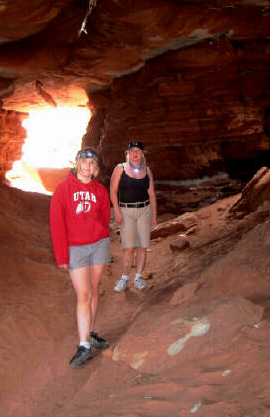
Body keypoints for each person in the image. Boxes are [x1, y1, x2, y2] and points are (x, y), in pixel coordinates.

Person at [49, 147, 111, 368]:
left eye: (92, 164)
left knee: (94, 289)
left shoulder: (100, 190)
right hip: (76, 249)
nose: (88, 166)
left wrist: (99, 234)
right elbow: (57, 224)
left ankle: (90, 332)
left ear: (96, 169)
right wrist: (62, 256)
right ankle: (84, 345)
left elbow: (105, 216)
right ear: (77, 164)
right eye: (84, 162)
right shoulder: (63, 190)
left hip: (98, 245)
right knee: (83, 294)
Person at [110, 141, 157, 292]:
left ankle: (138, 277)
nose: (135, 154)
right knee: (129, 247)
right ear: (128, 153)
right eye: (132, 151)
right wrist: (116, 211)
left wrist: (154, 214)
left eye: (138, 151)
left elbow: (151, 193)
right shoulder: (120, 169)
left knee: (142, 246)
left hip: (144, 210)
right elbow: (113, 190)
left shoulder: (146, 170)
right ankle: (124, 278)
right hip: (126, 211)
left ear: (142, 154)